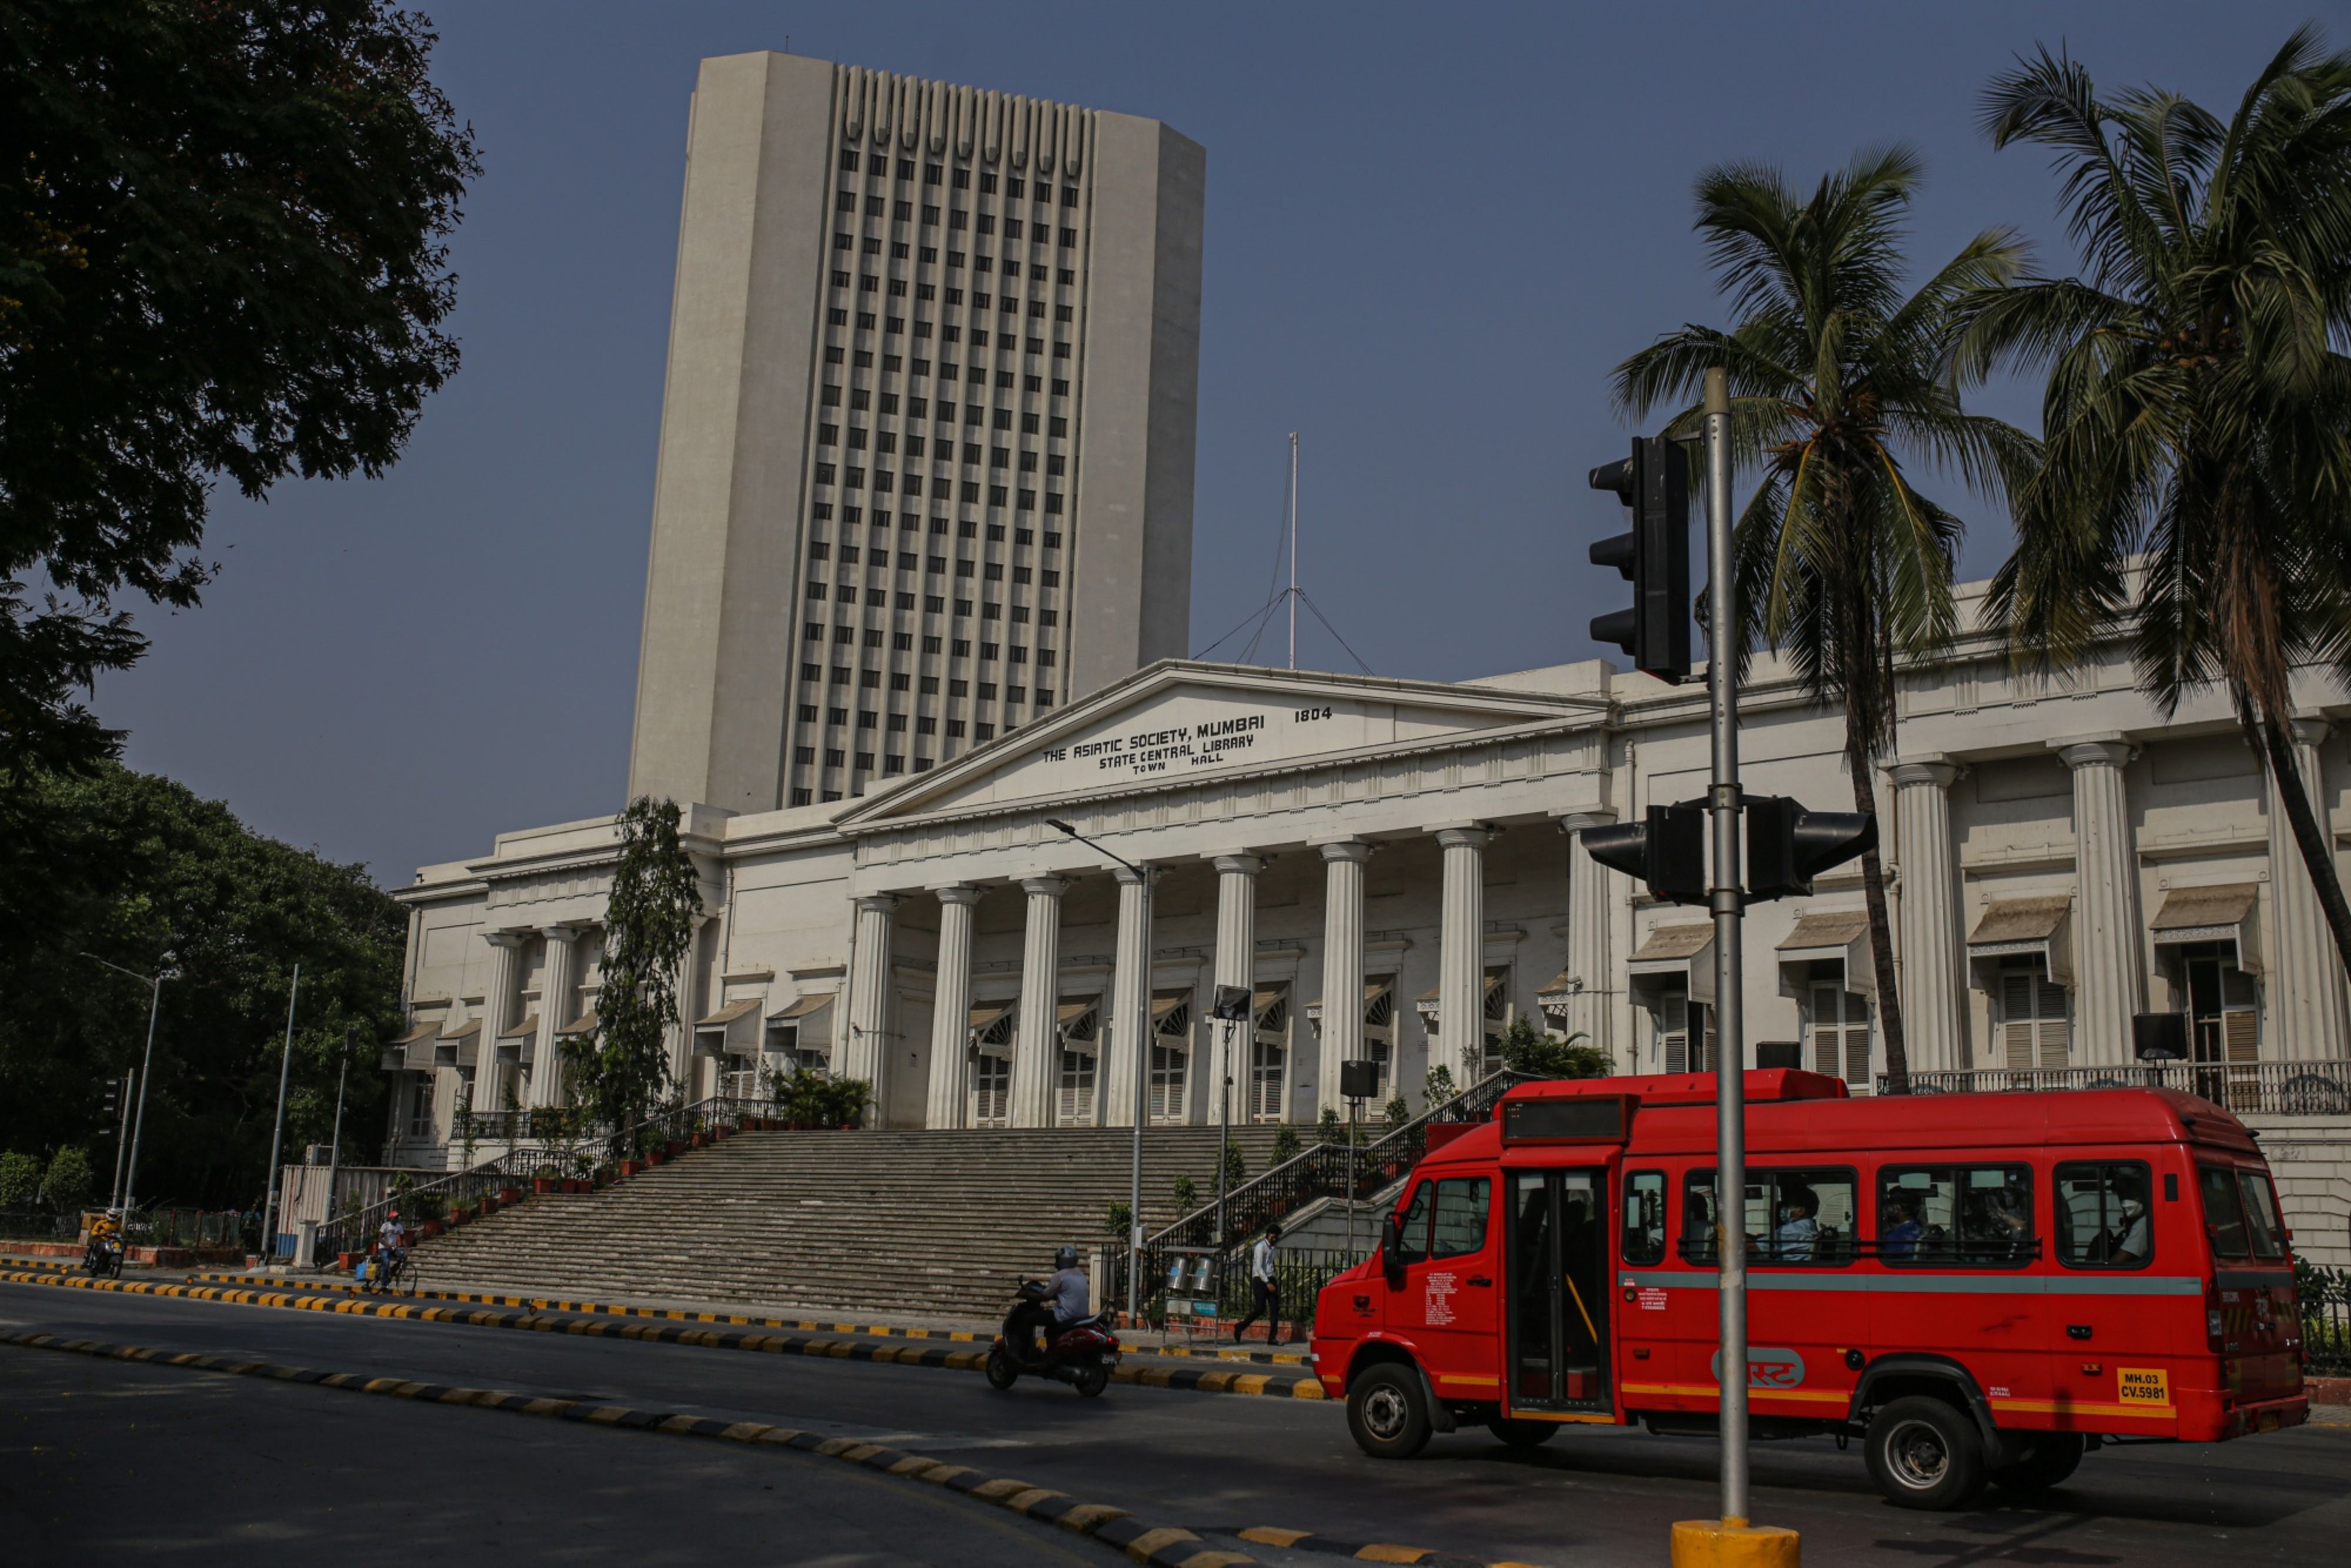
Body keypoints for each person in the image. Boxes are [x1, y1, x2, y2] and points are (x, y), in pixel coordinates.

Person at [1232, 1223, 1285, 1345]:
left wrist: (1272, 1280)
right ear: (1269, 1235)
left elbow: (1270, 1265)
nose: (1275, 1239)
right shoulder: (1260, 1247)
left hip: (1271, 1278)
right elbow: (1258, 1267)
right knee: (1260, 1309)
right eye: (1274, 1237)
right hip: (1260, 1280)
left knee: (1275, 1308)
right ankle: (1240, 1327)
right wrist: (1267, 1282)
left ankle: (1272, 1338)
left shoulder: (1273, 1248)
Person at [1773, 1188, 1819, 1263]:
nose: (1784, 1210)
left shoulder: (1791, 1230)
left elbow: (1753, 1247)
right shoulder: (1810, 1228)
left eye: (1789, 1207)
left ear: (1801, 1211)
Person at [1881, 1195, 1924, 1261]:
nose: (1890, 1211)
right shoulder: (1919, 1228)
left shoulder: (1895, 1237)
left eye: (1892, 1207)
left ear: (1899, 1209)